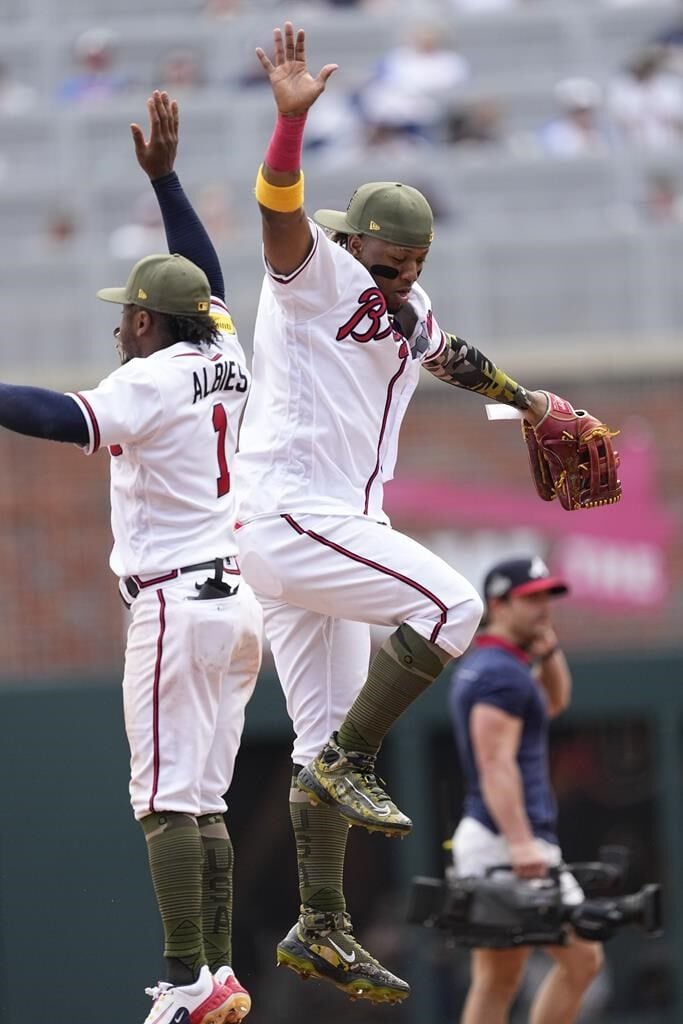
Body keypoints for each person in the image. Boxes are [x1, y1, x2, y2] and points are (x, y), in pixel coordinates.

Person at [232, 21, 589, 1005]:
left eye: (406, 266)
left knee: (310, 744)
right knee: (451, 609)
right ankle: (353, 755)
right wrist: (288, 126)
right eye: (380, 263)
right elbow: (274, 209)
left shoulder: (407, 306)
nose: (390, 280)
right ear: (350, 244)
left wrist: (528, 399)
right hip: (289, 510)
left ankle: (320, 923)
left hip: (318, 533)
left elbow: (451, 354)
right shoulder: (313, 275)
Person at [0, 91, 262, 1024]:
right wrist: (166, 182)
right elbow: (210, 276)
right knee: (206, 802)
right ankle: (216, 977)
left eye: (128, 315)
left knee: (159, 801)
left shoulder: (148, 378)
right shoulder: (227, 349)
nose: (121, 327)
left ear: (148, 325)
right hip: (236, 607)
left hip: (173, 604)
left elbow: (53, 415)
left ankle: (189, 978)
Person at [448, 556, 603, 1024]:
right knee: (581, 960)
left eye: (546, 597)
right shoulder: (500, 673)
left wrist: (547, 648)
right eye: (530, 598)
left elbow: (555, 702)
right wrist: (519, 843)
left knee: (499, 979)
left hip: (496, 837)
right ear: (498, 603)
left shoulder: (503, 665)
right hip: (506, 839)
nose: (543, 608)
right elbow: (495, 763)